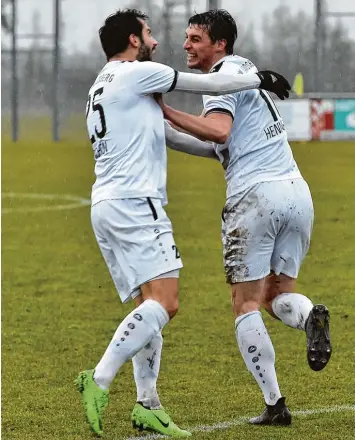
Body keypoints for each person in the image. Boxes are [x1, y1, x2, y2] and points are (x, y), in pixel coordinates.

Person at [75, 8, 291, 437]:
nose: (156, 41)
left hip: (106, 204)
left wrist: (217, 151)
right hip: (138, 204)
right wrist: (259, 79)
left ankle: (147, 404)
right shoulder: (138, 73)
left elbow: (167, 134)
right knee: (166, 303)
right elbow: (209, 83)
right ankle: (97, 379)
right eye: (149, 34)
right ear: (134, 41)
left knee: (146, 305)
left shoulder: (99, 86)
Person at [157, 9, 332, 426]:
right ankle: (311, 319)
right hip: (296, 192)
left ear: (220, 44)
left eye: (195, 38)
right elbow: (219, 146)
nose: (186, 45)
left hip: (254, 197)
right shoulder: (244, 73)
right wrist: (164, 127)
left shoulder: (222, 75)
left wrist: (164, 111)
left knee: (245, 303)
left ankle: (275, 405)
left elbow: (217, 131)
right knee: (276, 296)